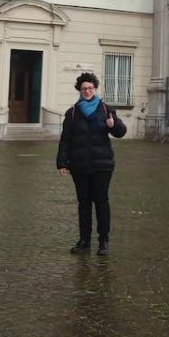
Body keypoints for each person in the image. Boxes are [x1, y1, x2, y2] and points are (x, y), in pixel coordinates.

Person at [56, 72, 127, 256]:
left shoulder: (105, 109)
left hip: (102, 165)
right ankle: (84, 242)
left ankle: (103, 241)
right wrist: (62, 163)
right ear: (79, 91)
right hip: (79, 166)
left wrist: (113, 125)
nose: (87, 91)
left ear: (95, 89)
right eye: (84, 89)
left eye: (90, 88)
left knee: (101, 202)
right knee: (84, 204)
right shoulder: (72, 113)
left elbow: (120, 132)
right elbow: (65, 140)